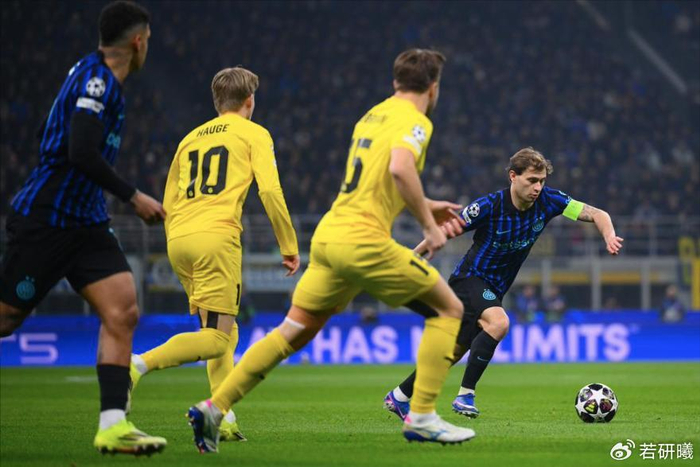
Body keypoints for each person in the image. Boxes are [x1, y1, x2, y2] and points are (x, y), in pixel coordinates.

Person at [186, 48, 476, 453]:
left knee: (292, 331)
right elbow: (399, 168)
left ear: (395, 82)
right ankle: (423, 415)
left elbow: (374, 182)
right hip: (363, 241)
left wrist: (425, 204)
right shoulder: (416, 120)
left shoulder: (372, 115)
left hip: (330, 237)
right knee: (449, 310)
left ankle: (215, 407)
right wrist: (430, 226)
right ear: (433, 87)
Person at [0, 1, 167, 455]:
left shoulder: (93, 76)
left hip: (87, 221)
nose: (148, 47)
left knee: (123, 310)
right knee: (7, 319)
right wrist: (133, 196)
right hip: (48, 218)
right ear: (138, 41)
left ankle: (113, 426)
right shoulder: (97, 81)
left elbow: (47, 131)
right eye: (148, 40)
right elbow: (80, 151)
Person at [384, 147, 623, 420]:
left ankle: (400, 396)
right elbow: (443, 232)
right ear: (513, 176)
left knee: (454, 350)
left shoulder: (551, 201)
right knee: (498, 323)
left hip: (495, 288)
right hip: (469, 279)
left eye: (542, 181)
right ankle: (465, 395)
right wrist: (411, 259)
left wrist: (609, 235)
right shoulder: (489, 206)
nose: (538, 187)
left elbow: (598, 214)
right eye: (531, 181)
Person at [129, 67, 300, 442]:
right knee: (218, 340)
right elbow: (270, 192)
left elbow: (169, 197)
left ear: (216, 102)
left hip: (178, 239)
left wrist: (177, 239)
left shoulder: (189, 139)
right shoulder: (254, 133)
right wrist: (289, 245)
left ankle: (222, 417)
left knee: (222, 329)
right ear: (250, 101)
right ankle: (135, 365)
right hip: (216, 238)